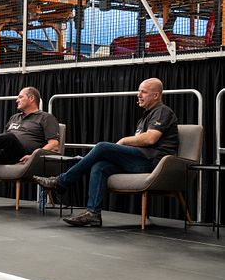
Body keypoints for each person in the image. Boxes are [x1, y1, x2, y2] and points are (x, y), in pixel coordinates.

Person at [34, 78, 178, 227]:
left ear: (156, 95)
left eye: (143, 92)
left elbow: (150, 139)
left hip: (154, 163)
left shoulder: (162, 111)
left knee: (103, 147)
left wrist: (123, 141)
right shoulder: (146, 116)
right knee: (100, 166)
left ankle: (62, 181)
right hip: (140, 160)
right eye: (139, 91)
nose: (138, 95)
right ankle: (93, 214)